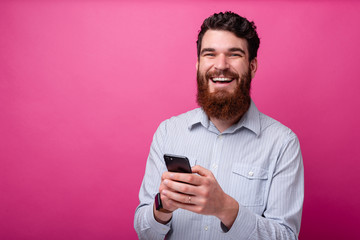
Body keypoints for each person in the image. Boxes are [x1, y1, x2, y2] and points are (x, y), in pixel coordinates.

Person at [134, 11, 304, 240]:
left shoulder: (283, 143)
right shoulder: (168, 132)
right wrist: (162, 206)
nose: (220, 65)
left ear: (252, 66)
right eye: (210, 54)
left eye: (234, 54)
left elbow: (286, 237)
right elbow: (145, 233)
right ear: (198, 64)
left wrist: (226, 208)